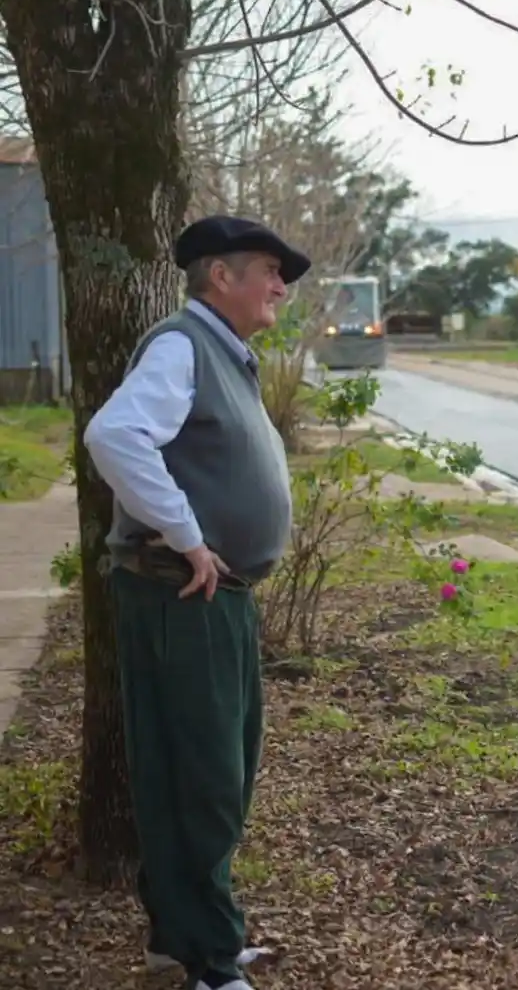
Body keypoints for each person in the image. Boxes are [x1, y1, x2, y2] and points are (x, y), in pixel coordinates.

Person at [83, 215, 310, 990]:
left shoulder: (224, 354)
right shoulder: (182, 345)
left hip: (215, 597)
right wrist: (187, 536)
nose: (281, 288)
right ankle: (209, 962)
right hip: (180, 592)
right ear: (221, 275)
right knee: (200, 778)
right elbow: (115, 436)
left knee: (218, 769)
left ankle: (181, 935)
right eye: (270, 271)